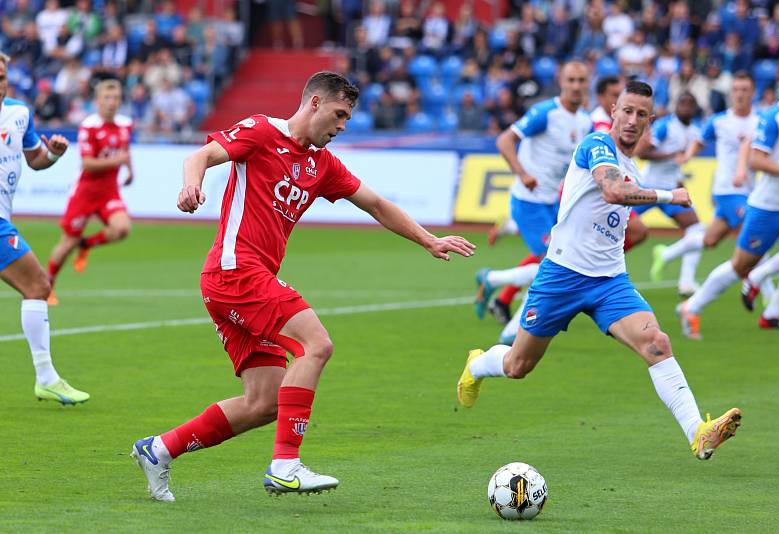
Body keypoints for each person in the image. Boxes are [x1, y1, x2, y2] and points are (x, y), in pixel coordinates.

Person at [130, 71, 475, 501]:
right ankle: (285, 465)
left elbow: (376, 204)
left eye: (348, 118)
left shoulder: (322, 165)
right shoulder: (260, 131)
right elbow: (198, 157)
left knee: (265, 402)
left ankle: (159, 449)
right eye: (340, 114)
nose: (343, 125)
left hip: (237, 282)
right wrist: (191, 185)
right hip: (236, 270)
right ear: (314, 103)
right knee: (316, 345)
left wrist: (428, 239)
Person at [457, 80, 742, 461]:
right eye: (626, 110)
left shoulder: (631, 166)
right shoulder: (596, 146)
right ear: (613, 112)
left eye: (641, 114)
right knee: (518, 365)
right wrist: (666, 194)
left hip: (610, 281)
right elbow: (612, 192)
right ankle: (477, 364)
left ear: (649, 121)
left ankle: (699, 432)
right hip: (561, 274)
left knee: (657, 343)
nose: (632, 119)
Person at [678, 66, 779, 338]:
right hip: (768, 206)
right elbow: (757, 158)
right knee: (740, 265)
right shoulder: (773, 119)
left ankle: (771, 311)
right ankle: (692, 306)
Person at [477, 61, 593, 331]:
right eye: (571, 80)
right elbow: (504, 140)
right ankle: (508, 320)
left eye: (581, 81)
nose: (576, 86)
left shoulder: (585, 120)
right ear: (561, 81)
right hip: (528, 201)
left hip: (553, 201)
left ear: (587, 83)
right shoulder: (545, 112)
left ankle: (494, 285)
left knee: (557, 261)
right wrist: (522, 173)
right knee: (550, 262)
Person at [0, 52, 89, 404]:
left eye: (3, 74)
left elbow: (34, 158)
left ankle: (46, 378)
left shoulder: (19, 113)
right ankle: (47, 377)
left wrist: (53, 153)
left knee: (37, 286)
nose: (0, 79)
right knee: (37, 285)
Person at [649, 73, 759, 289]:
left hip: (749, 189)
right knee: (755, 231)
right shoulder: (719, 121)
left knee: (709, 239)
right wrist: (688, 156)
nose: (740, 94)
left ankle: (667, 253)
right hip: (727, 189)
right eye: (736, 89)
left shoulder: (760, 121)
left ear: (752, 93)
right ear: (731, 92)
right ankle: (760, 289)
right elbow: (700, 141)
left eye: (745, 90)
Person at [47, 79, 133, 305]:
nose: (111, 103)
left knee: (122, 228)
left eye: (115, 98)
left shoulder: (125, 124)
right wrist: (119, 160)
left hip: (109, 192)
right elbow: (88, 164)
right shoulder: (89, 126)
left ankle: (86, 245)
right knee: (67, 243)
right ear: (97, 101)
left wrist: (130, 170)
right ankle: (47, 285)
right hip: (85, 192)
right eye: (106, 98)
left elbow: (125, 150)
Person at [635, 91, 704, 296]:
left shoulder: (694, 131)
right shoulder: (665, 126)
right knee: (619, 226)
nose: (685, 108)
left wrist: (680, 183)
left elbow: (678, 163)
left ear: (694, 109)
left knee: (696, 229)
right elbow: (643, 153)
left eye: (690, 104)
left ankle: (686, 282)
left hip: (670, 190)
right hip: (646, 187)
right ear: (676, 105)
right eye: (682, 103)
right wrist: (672, 155)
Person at [591, 75, 649, 253]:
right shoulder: (599, 125)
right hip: (595, 189)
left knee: (638, 231)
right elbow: (614, 156)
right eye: (613, 95)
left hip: (607, 186)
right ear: (601, 97)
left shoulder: (616, 121)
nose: (618, 99)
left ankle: (598, 263)